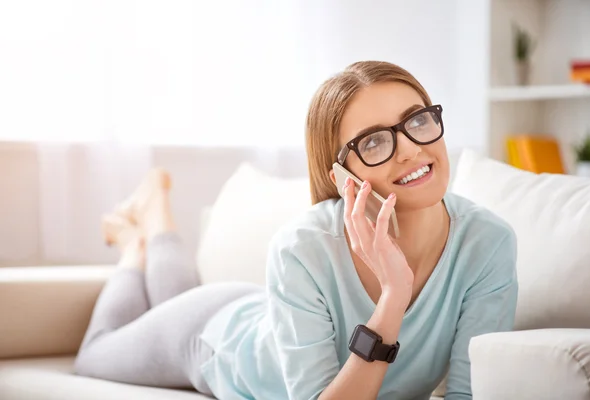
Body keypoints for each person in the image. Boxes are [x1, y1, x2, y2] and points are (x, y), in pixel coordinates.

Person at [74, 61, 518, 400]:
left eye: (418, 120)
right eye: (375, 141)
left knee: (170, 297)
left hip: (270, 314)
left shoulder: (488, 243)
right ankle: (137, 244)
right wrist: (393, 297)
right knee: (95, 354)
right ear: (343, 176)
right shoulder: (302, 246)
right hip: (213, 338)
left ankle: (153, 215)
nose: (410, 149)